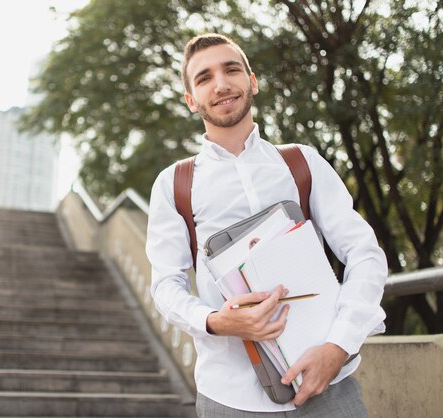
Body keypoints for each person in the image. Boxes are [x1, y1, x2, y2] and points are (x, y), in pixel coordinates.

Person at [145, 33, 387, 417]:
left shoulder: (301, 162)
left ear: (252, 81)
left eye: (231, 70)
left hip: (330, 386)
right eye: (204, 78)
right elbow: (165, 286)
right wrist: (215, 321)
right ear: (191, 100)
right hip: (228, 397)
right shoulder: (174, 184)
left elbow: (365, 254)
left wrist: (338, 347)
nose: (221, 84)